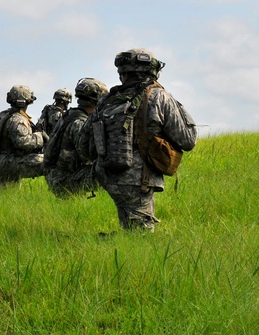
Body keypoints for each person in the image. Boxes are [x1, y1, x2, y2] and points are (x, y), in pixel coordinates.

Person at [81, 49, 197, 231]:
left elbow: (84, 146)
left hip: (107, 175)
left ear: (123, 74)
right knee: (142, 237)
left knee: (128, 229)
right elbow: (188, 139)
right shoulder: (159, 96)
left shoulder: (106, 101)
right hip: (139, 179)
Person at [43, 77, 108, 197]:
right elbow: (86, 155)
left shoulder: (68, 115)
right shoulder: (80, 123)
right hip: (65, 180)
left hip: (57, 176)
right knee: (112, 171)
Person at [0, 85, 48, 187]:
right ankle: (62, 192)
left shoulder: (3, 116)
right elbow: (22, 142)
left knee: (5, 197)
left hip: (0, 163)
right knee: (50, 160)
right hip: (11, 163)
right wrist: (39, 136)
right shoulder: (18, 119)